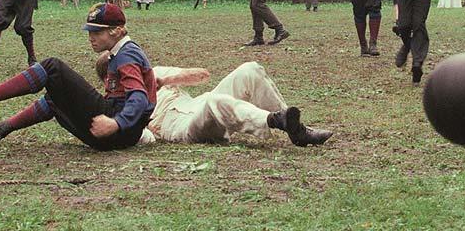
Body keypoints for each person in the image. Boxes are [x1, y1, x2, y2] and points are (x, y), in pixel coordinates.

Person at [0, 3, 156, 150]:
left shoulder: (128, 54)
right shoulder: (119, 54)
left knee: (53, 67)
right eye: (89, 31)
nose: (90, 37)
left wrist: (116, 123)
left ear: (117, 31)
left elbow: (139, 98)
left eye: (97, 32)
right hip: (117, 135)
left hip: (117, 131)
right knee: (56, 96)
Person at [137, 61, 332, 147]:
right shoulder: (122, 100)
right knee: (215, 102)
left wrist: (165, 80)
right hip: (182, 126)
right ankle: (273, 120)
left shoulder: (156, 72)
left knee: (250, 69)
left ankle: (295, 128)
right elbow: (142, 136)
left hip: (198, 103)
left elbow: (202, 75)